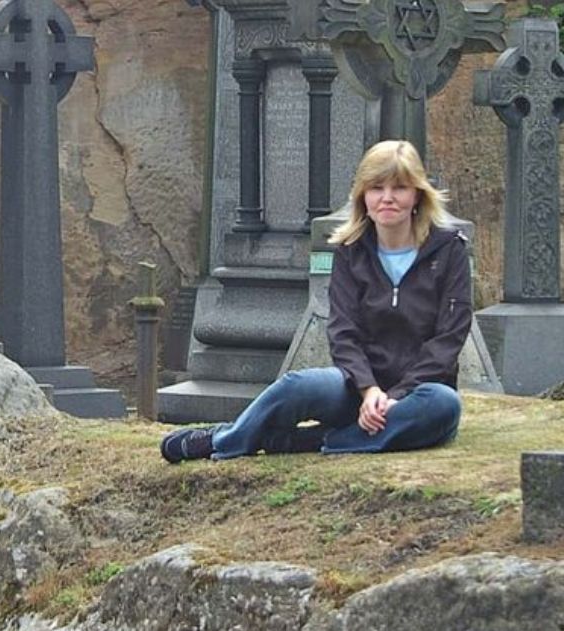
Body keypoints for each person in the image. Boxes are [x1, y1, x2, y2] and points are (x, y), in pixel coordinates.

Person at [161, 139, 471, 463]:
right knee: (299, 385)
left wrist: (395, 397)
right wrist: (368, 390)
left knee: (444, 405)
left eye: (400, 188)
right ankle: (224, 439)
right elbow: (343, 333)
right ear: (363, 196)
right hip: (355, 388)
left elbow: (448, 340)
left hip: (417, 396)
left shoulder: (449, 251)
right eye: (377, 188)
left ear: (417, 194)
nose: (388, 197)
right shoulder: (350, 252)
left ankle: (311, 440)